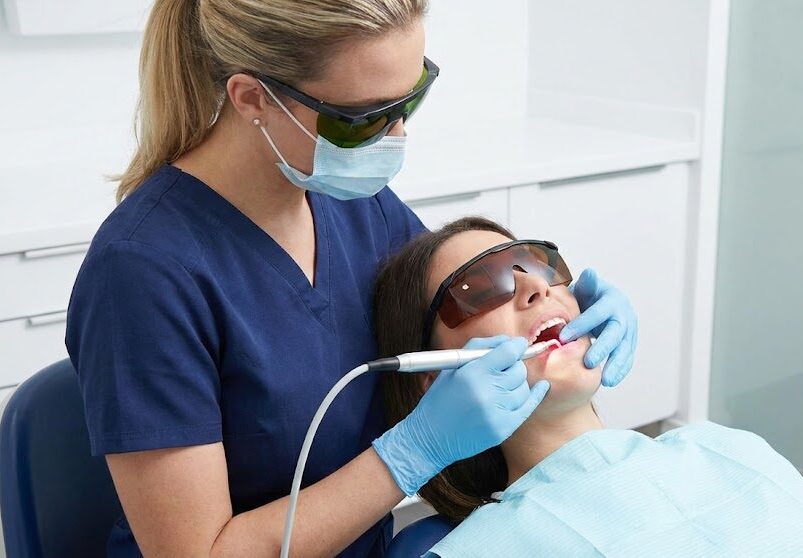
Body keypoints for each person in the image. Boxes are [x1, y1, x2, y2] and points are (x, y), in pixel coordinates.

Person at [64, 1, 638, 556]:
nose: (396, 138)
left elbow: (452, 306)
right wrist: (412, 452)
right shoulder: (142, 272)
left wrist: (560, 298)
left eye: (408, 101)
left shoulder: (357, 207)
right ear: (252, 98)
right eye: (360, 121)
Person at [373, 216, 803, 557]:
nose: (535, 288)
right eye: (479, 288)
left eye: (539, 265)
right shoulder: (463, 548)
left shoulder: (726, 448)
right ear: (434, 376)